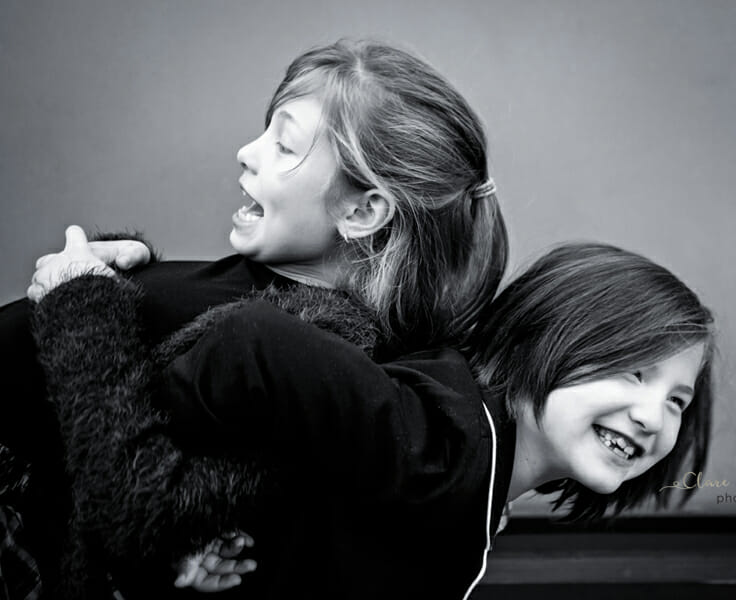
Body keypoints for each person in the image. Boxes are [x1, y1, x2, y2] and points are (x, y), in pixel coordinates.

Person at [0, 38, 507, 598]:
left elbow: (138, 499)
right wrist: (132, 273)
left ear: (363, 211)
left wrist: (81, 303)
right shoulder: (275, 285)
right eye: (266, 130)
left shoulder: (304, 348)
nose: (247, 151)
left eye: (285, 146)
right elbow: (167, 350)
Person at [30, 241, 715, 600]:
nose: (653, 415)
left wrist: (218, 511)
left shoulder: (470, 477)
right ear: (548, 338)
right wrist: (171, 510)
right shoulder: (440, 445)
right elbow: (252, 342)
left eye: (679, 400)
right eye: (632, 372)